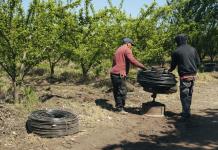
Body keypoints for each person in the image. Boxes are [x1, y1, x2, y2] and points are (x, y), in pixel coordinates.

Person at [168, 34, 200, 119]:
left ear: (177, 41)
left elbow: (173, 66)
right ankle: (187, 111)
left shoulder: (176, 51)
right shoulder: (193, 49)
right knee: (189, 94)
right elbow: (198, 63)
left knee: (184, 95)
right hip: (193, 76)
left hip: (184, 76)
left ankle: (185, 114)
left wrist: (168, 71)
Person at [110, 38, 145, 113]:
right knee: (122, 91)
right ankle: (120, 109)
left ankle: (118, 107)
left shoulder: (118, 49)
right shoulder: (127, 49)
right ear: (127, 43)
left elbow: (114, 62)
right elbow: (132, 60)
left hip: (113, 73)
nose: (131, 46)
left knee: (116, 91)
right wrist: (143, 67)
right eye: (131, 44)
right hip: (120, 74)